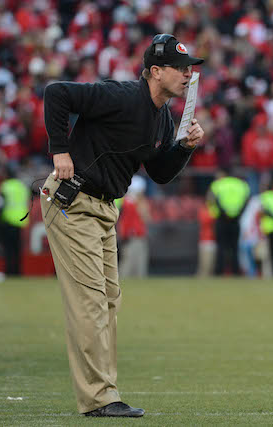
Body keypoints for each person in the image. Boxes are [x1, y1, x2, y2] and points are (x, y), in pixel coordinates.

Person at [40, 34, 204, 418]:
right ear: (155, 71)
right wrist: (59, 150)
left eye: (189, 69)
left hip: (102, 209)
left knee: (109, 301)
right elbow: (56, 93)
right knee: (92, 303)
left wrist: (184, 148)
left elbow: (160, 174)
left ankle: (105, 392)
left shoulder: (162, 117)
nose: (187, 75)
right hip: (72, 202)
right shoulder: (124, 96)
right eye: (179, 68)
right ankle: (99, 399)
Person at [207, 169, 250, 276]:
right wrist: (238, 214)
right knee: (234, 247)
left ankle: (219, 271)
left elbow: (212, 200)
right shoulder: (242, 185)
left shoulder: (218, 184)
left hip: (221, 219)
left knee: (221, 246)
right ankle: (235, 271)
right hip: (236, 220)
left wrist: (222, 213)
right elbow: (246, 201)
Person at [0, 166, 30, 276]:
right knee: (17, 249)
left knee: (8, 249)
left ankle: (9, 271)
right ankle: (17, 272)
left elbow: (0, 204)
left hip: (8, 220)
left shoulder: (5, 186)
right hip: (21, 220)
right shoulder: (22, 186)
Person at [117, 175, 150, 278]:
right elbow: (145, 216)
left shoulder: (131, 201)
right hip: (130, 236)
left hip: (138, 236)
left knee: (139, 263)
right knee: (128, 263)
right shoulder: (128, 202)